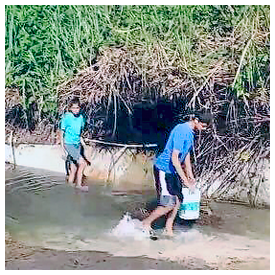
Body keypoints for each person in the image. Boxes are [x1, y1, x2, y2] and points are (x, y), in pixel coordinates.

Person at [142, 115, 206, 236]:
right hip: (164, 168)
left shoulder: (191, 133)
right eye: (203, 126)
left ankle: (168, 228)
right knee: (168, 204)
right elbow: (175, 159)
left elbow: (186, 154)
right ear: (196, 120)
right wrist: (185, 182)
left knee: (178, 200)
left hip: (173, 171)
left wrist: (190, 175)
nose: (203, 129)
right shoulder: (181, 130)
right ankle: (146, 223)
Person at [58, 97, 88, 191]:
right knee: (82, 163)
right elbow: (61, 132)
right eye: (74, 108)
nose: (76, 110)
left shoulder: (81, 118)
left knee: (74, 168)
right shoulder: (67, 117)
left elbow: (80, 131)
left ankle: (69, 187)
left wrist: (82, 141)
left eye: (77, 108)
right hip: (69, 144)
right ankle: (79, 185)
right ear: (70, 108)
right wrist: (62, 147)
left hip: (77, 144)